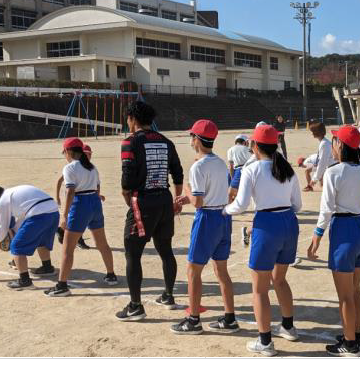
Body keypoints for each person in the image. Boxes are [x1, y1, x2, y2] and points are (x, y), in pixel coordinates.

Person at [225, 123, 302, 356]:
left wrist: (224, 210)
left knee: (259, 289)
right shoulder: (287, 168)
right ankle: (288, 326)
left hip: (267, 225)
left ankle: (265, 341)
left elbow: (241, 205)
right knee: (279, 280)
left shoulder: (252, 169)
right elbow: (297, 204)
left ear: (255, 146)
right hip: (289, 222)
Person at [169, 120, 240, 335]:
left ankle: (193, 320)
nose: (191, 140)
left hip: (207, 218)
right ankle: (229, 318)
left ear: (197, 140)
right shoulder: (219, 162)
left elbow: (198, 200)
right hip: (223, 216)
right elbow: (215, 193)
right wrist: (188, 197)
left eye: (192, 136)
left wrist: (188, 193)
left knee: (193, 270)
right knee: (221, 271)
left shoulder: (198, 166)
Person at [116, 101, 184, 321]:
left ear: (132, 119)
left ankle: (135, 306)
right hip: (164, 200)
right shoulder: (165, 141)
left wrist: (128, 198)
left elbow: (127, 177)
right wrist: (176, 199)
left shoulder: (130, 142)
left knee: (133, 253)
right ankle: (168, 295)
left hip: (142, 201)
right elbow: (178, 172)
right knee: (165, 249)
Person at [314, 125, 360, 357]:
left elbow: (326, 208)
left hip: (344, 230)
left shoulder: (334, 172)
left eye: (335, 141)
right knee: (355, 290)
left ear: (341, 145)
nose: (333, 144)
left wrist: (317, 236)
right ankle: (355, 335)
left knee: (345, 295)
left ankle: (349, 344)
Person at [44, 137, 119, 296]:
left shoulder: (69, 168)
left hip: (80, 204)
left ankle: (62, 285)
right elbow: (98, 187)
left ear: (69, 151)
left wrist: (64, 215)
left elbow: (71, 191)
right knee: (102, 243)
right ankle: (111, 275)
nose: (64, 154)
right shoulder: (92, 167)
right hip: (94, 203)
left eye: (64, 151)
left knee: (67, 248)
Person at [0, 184, 61, 290]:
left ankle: (25, 281)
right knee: (41, 241)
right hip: (53, 211)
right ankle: (47, 267)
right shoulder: (14, 193)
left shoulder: (2, 202)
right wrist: (15, 232)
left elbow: (2, 226)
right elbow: (22, 220)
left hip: (38, 214)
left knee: (16, 246)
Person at [302, 122, 333, 192]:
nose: (312, 133)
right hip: (329, 169)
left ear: (317, 132)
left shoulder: (324, 144)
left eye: (313, 131)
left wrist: (314, 179)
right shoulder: (324, 142)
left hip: (331, 171)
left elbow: (322, 163)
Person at [226, 134, 251, 202]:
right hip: (246, 170)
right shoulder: (248, 149)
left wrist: (232, 178)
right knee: (232, 192)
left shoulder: (230, 150)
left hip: (237, 169)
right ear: (245, 142)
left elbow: (231, 166)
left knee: (230, 193)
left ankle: (229, 206)